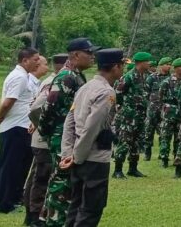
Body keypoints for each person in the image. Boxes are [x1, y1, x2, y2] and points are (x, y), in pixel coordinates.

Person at [59, 48, 123, 227]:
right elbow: (91, 128)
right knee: (91, 209)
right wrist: (76, 157)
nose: (123, 70)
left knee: (76, 205)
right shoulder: (106, 92)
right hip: (93, 158)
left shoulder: (85, 88)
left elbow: (69, 122)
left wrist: (68, 152)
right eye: (122, 66)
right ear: (115, 67)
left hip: (78, 154)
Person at [39, 38, 96, 227]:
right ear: (76, 55)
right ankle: (55, 221)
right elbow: (49, 107)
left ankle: (52, 218)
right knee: (62, 181)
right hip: (60, 136)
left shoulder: (78, 75)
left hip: (67, 135)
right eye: (89, 53)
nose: (92, 57)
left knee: (63, 180)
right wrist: (49, 134)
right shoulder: (67, 77)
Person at [0, 48, 42, 214]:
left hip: (21, 126)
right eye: (35, 59)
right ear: (25, 60)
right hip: (15, 128)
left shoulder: (23, 76)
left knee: (17, 166)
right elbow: (7, 102)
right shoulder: (19, 77)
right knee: (10, 167)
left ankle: (12, 198)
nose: (38, 62)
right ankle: (3, 204)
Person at [24, 54, 66, 226]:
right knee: (41, 179)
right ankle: (34, 217)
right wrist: (44, 129)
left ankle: (32, 215)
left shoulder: (56, 80)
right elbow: (35, 109)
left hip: (45, 139)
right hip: (44, 141)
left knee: (37, 176)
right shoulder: (53, 83)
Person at [112, 51, 152, 179]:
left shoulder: (146, 76)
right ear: (140, 63)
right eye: (147, 61)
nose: (149, 63)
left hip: (141, 114)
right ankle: (118, 170)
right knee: (125, 141)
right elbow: (117, 93)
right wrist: (124, 107)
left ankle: (133, 168)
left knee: (137, 142)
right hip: (129, 115)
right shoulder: (129, 76)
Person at [156, 58, 181, 168]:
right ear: (176, 68)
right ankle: (164, 159)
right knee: (165, 136)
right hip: (169, 112)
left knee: (180, 137)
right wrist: (163, 111)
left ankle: (177, 158)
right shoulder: (167, 82)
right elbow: (160, 98)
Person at [142, 56, 171, 163]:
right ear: (161, 65)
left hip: (165, 110)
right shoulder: (152, 77)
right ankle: (147, 153)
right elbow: (145, 93)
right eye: (167, 64)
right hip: (152, 109)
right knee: (148, 132)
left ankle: (162, 154)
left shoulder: (171, 78)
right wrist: (148, 106)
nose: (169, 66)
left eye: (170, 64)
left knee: (164, 133)